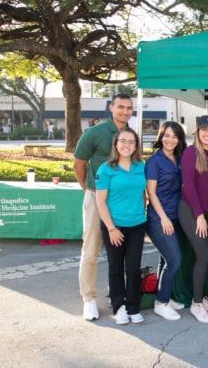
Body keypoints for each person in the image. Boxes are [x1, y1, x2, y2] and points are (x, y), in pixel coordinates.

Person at [73, 93, 133, 321]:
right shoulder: (94, 133)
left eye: (129, 108)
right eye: (121, 107)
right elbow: (79, 165)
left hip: (123, 203)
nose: (125, 111)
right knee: (91, 250)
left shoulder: (131, 134)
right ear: (111, 108)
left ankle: (117, 296)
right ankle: (88, 298)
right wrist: (89, 190)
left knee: (120, 253)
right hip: (96, 198)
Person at [95, 127, 147, 325]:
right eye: (123, 141)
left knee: (133, 268)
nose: (127, 145)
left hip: (137, 225)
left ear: (136, 146)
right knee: (115, 268)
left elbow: (143, 192)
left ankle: (134, 306)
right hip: (113, 226)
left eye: (131, 141)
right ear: (116, 144)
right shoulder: (106, 169)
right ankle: (119, 306)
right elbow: (100, 201)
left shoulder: (140, 166)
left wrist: (142, 211)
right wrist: (111, 228)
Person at [179, 115, 208, 323]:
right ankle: (196, 304)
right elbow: (190, 187)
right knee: (203, 257)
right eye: (203, 129)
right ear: (197, 132)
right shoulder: (190, 153)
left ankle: (199, 297)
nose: (207, 133)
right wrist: (199, 216)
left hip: (207, 213)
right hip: (190, 210)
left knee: (201, 257)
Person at [145, 121, 187, 321]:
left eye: (175, 136)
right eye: (167, 135)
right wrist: (163, 218)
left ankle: (165, 298)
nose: (170, 139)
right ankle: (161, 304)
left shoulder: (178, 159)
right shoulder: (154, 161)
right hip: (159, 218)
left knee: (165, 260)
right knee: (174, 260)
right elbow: (151, 193)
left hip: (176, 216)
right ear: (161, 137)